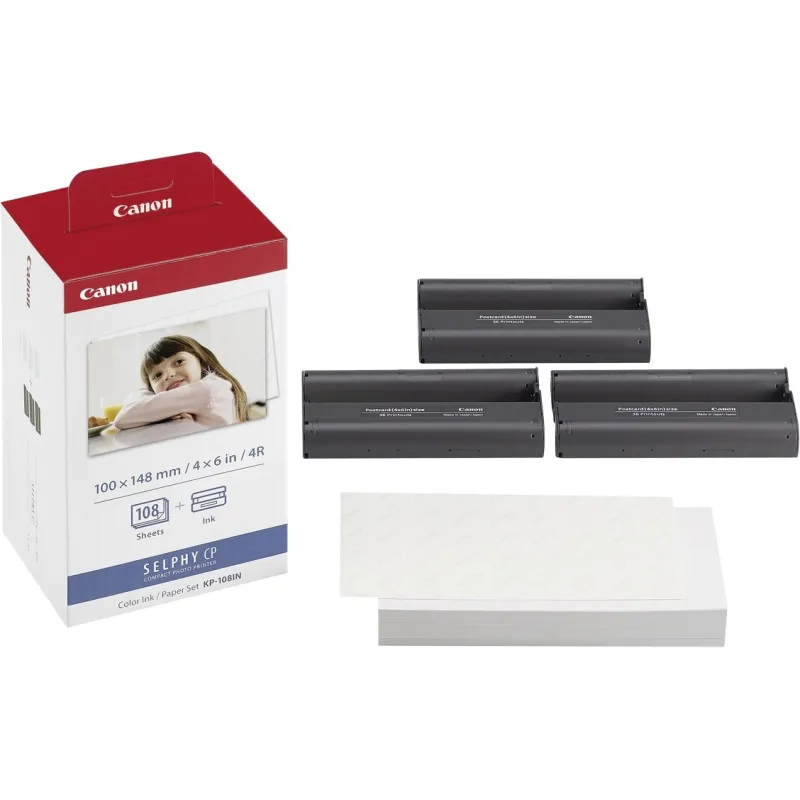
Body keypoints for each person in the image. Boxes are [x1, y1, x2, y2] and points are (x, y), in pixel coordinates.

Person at [114, 335, 248, 430]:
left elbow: (123, 418)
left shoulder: (207, 390)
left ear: (201, 362)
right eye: (157, 375)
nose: (169, 375)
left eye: (179, 362)